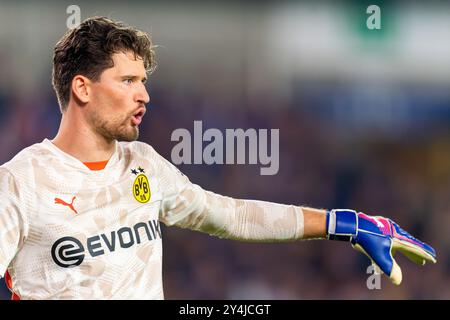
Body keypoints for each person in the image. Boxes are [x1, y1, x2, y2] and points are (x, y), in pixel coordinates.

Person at [0, 16, 436, 300]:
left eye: (144, 81)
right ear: (82, 88)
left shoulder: (145, 164)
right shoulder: (20, 182)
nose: (144, 94)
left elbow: (231, 215)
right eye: (128, 80)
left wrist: (343, 224)